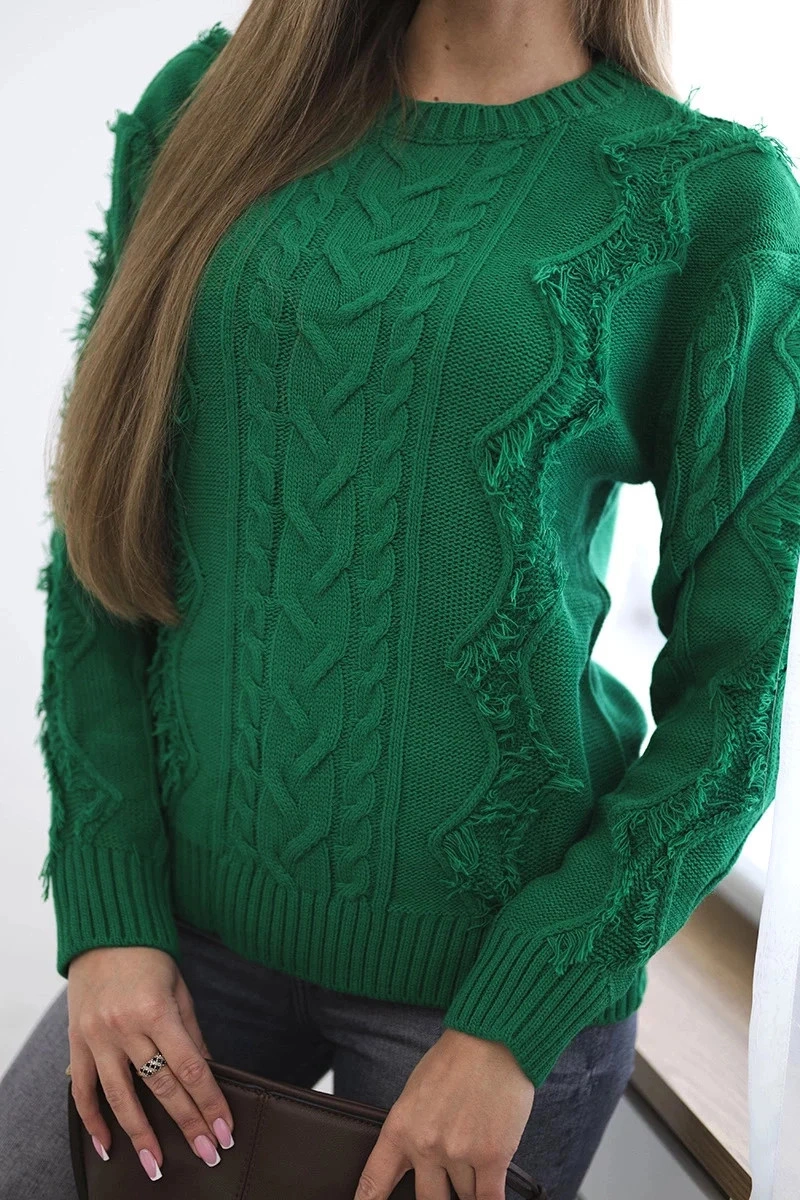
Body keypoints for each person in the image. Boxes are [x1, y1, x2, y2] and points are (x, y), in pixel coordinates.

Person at [4, 1, 800, 1197]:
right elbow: (102, 525)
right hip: (176, 939)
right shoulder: (210, 109)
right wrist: (107, 911)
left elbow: (737, 695)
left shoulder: (706, 198)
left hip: (481, 1005)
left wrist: (513, 1022)